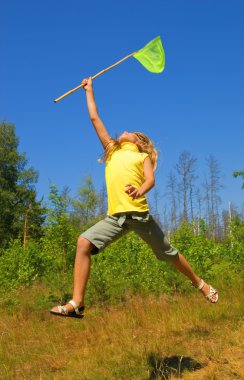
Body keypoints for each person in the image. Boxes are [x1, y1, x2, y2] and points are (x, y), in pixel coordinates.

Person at [50, 78, 218, 318]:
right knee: (83, 242)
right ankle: (77, 302)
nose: (125, 131)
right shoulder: (112, 151)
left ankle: (200, 284)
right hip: (115, 218)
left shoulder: (141, 158)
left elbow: (150, 180)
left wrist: (141, 190)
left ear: (140, 144)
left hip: (139, 216)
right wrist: (89, 91)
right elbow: (95, 118)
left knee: (168, 253)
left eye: (132, 133)